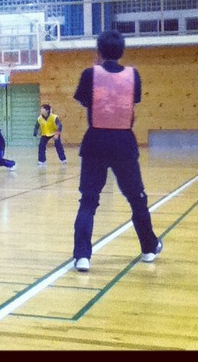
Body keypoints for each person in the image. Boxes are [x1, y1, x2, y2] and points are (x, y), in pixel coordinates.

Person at [72, 29, 162, 272]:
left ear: (99, 51)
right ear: (122, 51)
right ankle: (149, 248)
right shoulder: (134, 75)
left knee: (88, 200)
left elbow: (83, 100)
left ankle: (82, 256)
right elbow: (132, 102)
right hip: (124, 141)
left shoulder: (89, 73)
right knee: (137, 199)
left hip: (95, 141)